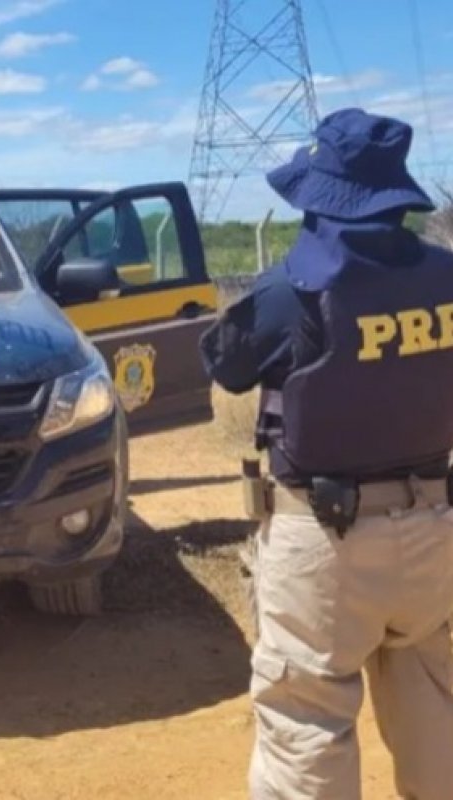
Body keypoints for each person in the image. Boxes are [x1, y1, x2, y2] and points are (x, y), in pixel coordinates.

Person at [201, 108, 453, 799]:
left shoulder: (296, 291)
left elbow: (227, 366)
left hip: (326, 541)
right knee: (437, 710)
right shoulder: (447, 279)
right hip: (434, 534)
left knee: (306, 721)